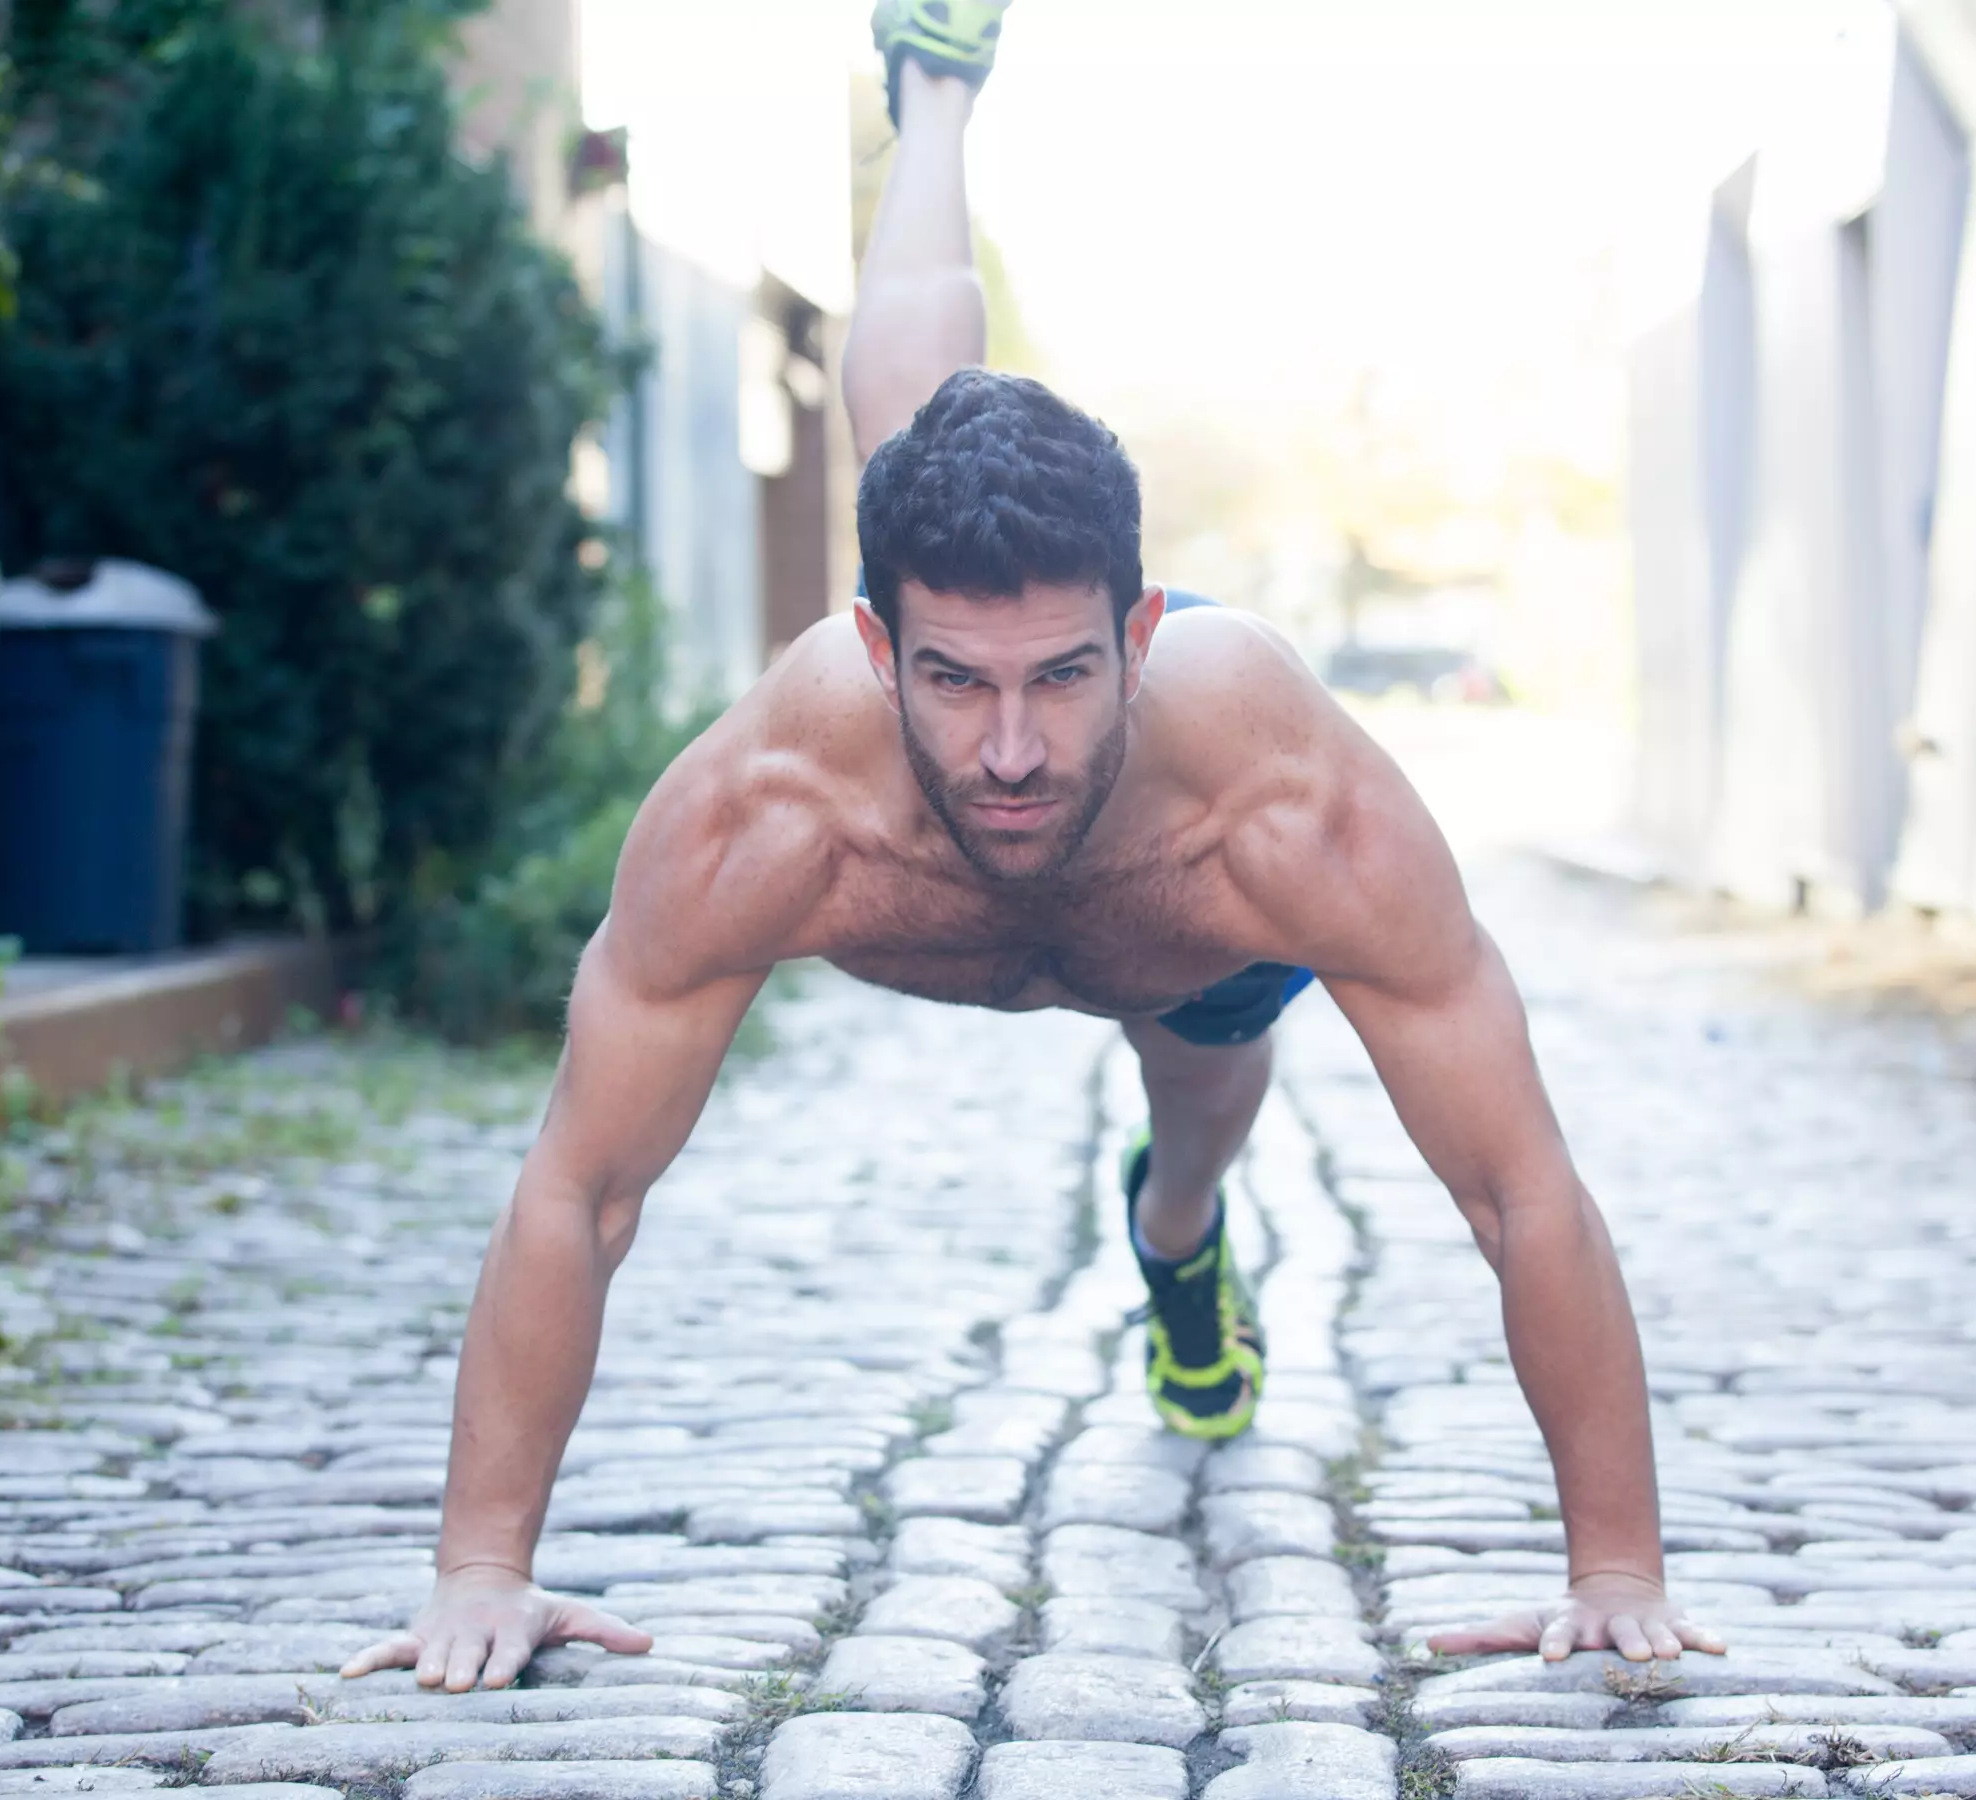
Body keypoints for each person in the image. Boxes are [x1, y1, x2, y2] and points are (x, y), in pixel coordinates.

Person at [344, 0, 1723, 1694]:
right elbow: (583, 1184)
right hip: (911, 762)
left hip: (1186, 935)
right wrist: (481, 1568)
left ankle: (1176, 1239)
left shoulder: (1288, 808)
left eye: (1065, 677)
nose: (1010, 751)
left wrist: (1617, 1565)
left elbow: (1519, 1189)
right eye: (956, 681)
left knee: (1200, 1110)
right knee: (921, 424)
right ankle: (933, 88)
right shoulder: (769, 808)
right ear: (876, 649)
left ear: (1139, 633)